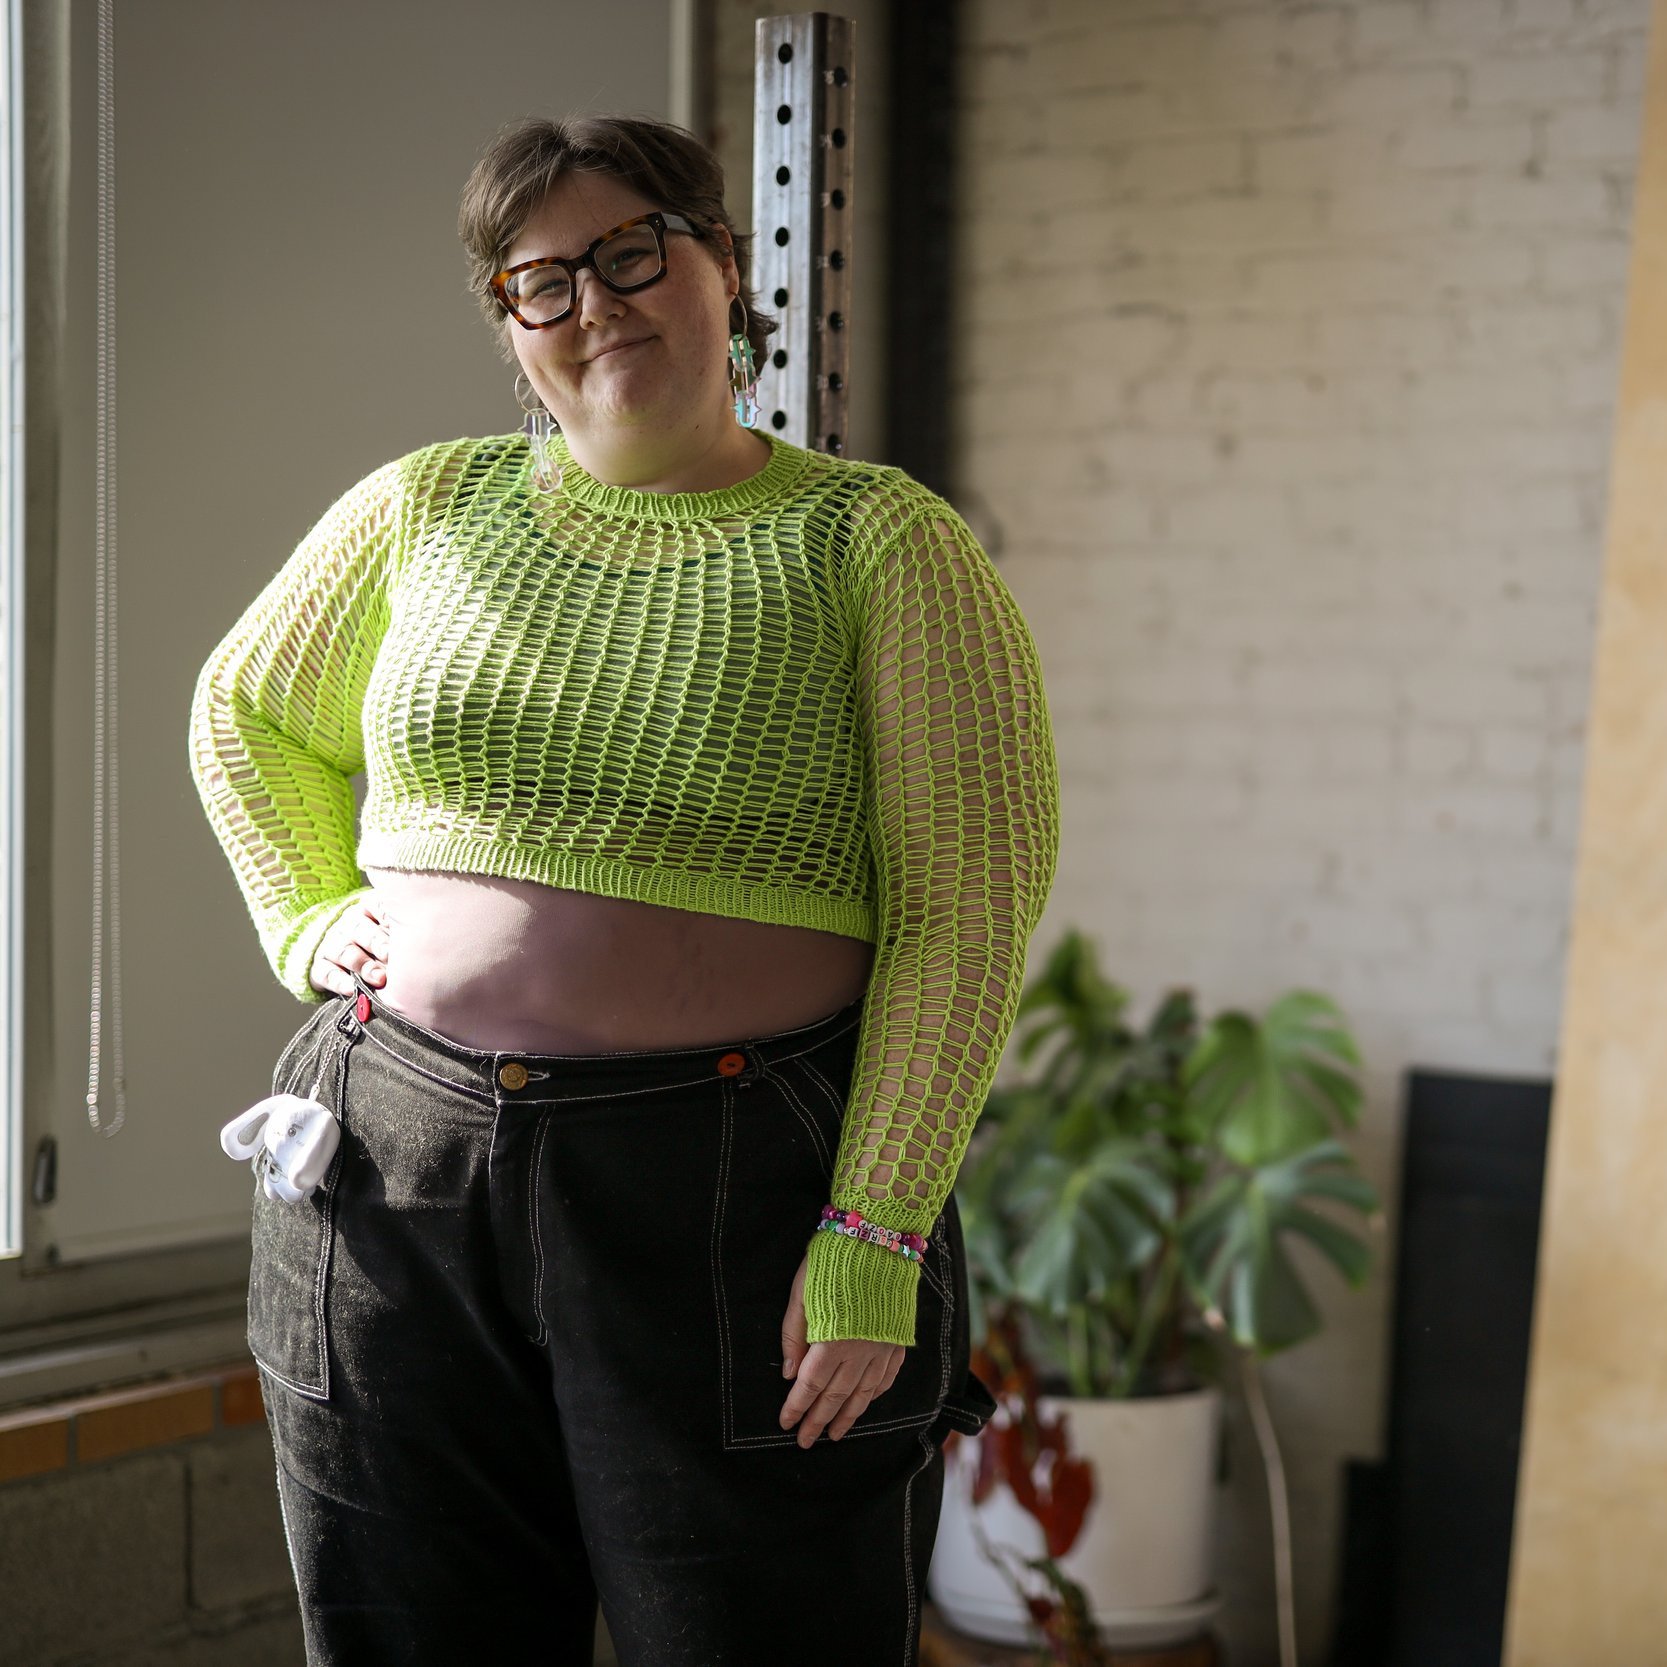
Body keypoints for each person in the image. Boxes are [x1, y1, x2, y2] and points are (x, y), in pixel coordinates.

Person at [187, 113, 1060, 1667]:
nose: (594, 303)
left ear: (723, 261)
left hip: (731, 1187)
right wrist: (305, 916)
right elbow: (244, 713)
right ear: (509, 323)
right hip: (391, 1171)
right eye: (540, 281)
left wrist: (879, 1226)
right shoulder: (423, 508)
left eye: (631, 253)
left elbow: (966, 906)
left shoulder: (877, 543)